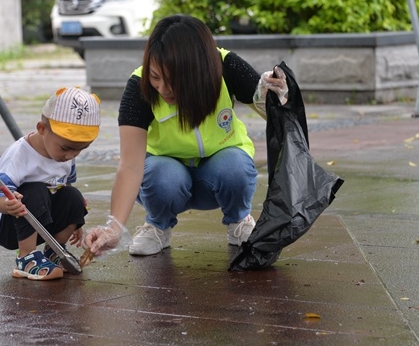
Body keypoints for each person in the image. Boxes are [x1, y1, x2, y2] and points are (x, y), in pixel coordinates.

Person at [83, 14, 291, 257]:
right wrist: (114, 228)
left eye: (173, 80)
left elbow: (277, 116)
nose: (163, 89)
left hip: (219, 174)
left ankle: (239, 221)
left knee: (235, 167)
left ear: (198, 70)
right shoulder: (138, 86)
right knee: (162, 175)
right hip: (165, 181)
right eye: (155, 76)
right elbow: (130, 164)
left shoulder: (224, 66)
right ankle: (158, 226)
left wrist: (276, 95)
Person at [0, 87, 101, 280]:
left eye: (80, 149)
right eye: (66, 148)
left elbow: (66, 189)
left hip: (44, 223)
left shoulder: (66, 157)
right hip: (9, 225)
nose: (70, 156)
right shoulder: (19, 155)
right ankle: (26, 258)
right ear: (42, 129)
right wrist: (9, 205)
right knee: (35, 189)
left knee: (74, 196)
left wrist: (74, 220)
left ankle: (54, 250)